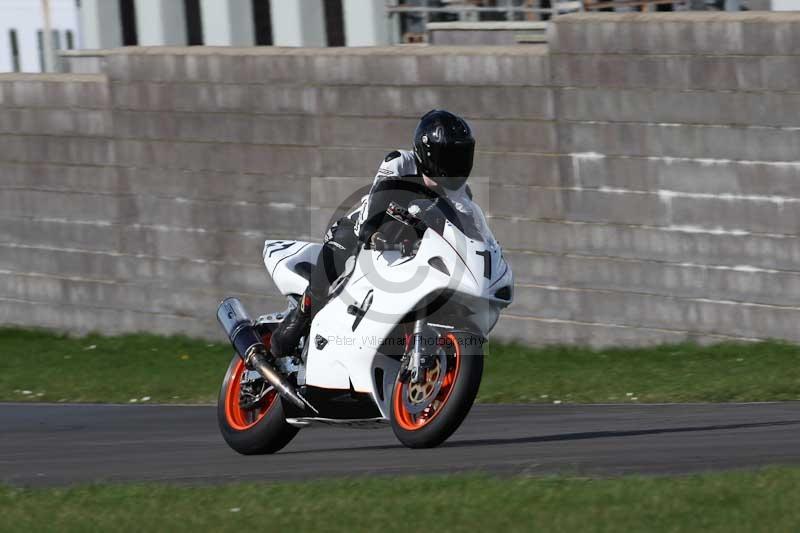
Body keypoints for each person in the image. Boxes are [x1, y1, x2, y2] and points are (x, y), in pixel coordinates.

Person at [269, 109, 476, 358]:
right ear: (429, 153)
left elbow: (468, 230)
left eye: (461, 156)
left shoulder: (462, 194)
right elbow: (380, 196)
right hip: (364, 230)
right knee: (338, 255)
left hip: (413, 250)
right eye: (450, 156)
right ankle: (301, 315)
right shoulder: (399, 161)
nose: (456, 165)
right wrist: (373, 231)